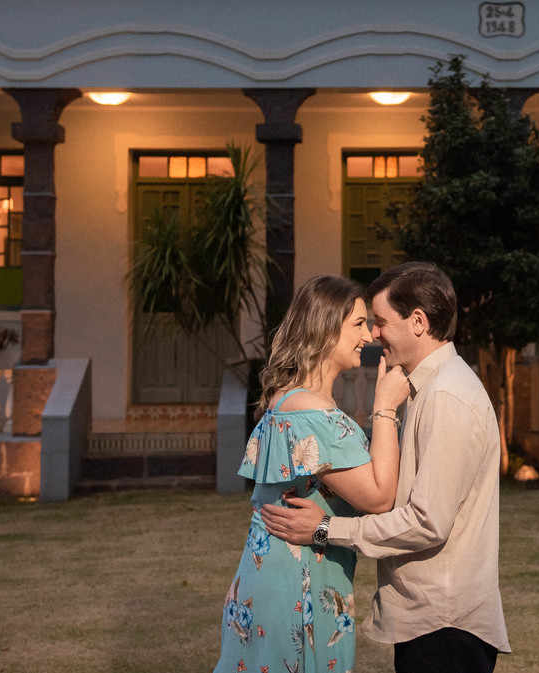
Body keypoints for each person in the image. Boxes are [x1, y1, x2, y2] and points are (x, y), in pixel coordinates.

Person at [262, 262, 510, 673]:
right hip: (430, 622)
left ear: (417, 322)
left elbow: (427, 522)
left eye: (379, 322)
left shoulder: (447, 395)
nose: (373, 335)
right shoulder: (429, 388)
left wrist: (325, 529)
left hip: (443, 625)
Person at [213, 275, 411, 673]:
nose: (369, 335)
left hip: (286, 574)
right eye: (357, 324)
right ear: (323, 329)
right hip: (296, 581)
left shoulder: (293, 399)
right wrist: (385, 407)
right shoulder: (308, 411)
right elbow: (378, 497)